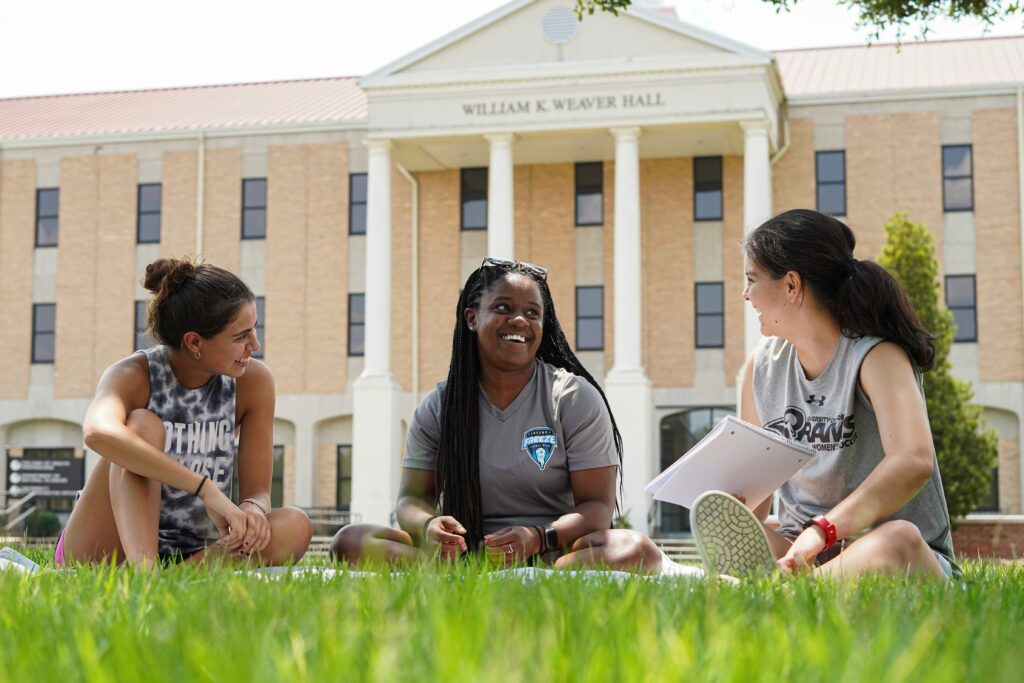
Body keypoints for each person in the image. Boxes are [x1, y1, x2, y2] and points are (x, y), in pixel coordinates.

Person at [332, 257, 661, 571]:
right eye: (503, 308)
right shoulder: (440, 405)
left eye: (532, 312)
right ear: (472, 318)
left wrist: (538, 537)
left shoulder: (573, 397)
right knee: (350, 541)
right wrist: (429, 526)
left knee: (636, 549)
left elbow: (598, 509)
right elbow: (412, 499)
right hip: (465, 554)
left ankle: (547, 574)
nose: (520, 320)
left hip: (551, 549)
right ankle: (459, 573)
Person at [691, 209, 959, 579]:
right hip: (800, 553)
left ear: (791, 285)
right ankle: (796, 589)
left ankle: (785, 595)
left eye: (752, 280)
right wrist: (736, 508)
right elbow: (758, 490)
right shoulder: (760, 368)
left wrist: (822, 531)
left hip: (892, 551)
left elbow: (913, 461)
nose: (745, 294)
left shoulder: (877, 357)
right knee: (729, 533)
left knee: (896, 540)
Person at [56, 257, 313, 568]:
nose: (255, 344)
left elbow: (258, 491)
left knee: (295, 525)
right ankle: (145, 577)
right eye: (241, 336)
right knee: (141, 427)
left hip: (196, 549)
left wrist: (252, 510)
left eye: (254, 330)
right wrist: (205, 490)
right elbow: (97, 432)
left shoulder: (254, 382)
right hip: (107, 549)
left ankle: (176, 577)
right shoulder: (134, 374)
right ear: (194, 342)